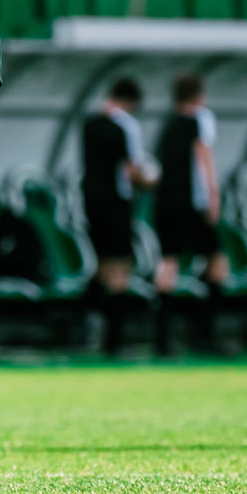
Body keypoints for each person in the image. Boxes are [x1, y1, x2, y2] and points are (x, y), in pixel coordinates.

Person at [80, 77, 159, 358]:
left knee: (102, 263)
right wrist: (154, 182)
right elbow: (131, 170)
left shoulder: (89, 124)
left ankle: (86, 323)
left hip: (91, 201)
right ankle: (114, 340)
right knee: (120, 267)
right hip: (116, 202)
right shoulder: (125, 125)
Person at [153, 72, 230, 354]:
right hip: (191, 204)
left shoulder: (168, 125)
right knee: (217, 263)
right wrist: (213, 196)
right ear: (199, 95)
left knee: (167, 266)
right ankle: (204, 335)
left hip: (165, 203)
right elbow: (203, 156)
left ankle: (162, 341)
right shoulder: (201, 118)